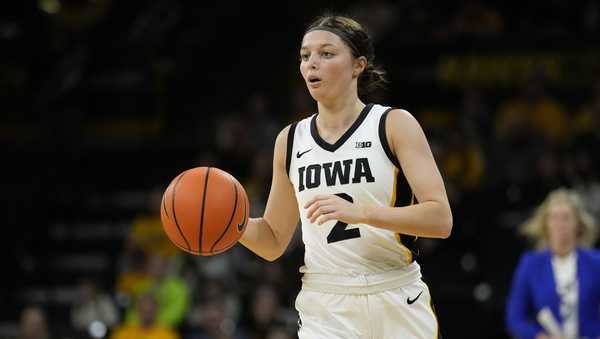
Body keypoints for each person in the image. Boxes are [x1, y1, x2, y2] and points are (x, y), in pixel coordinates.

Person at [238, 14, 453, 339]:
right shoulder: (290, 140)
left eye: (326, 53)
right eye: (305, 55)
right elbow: (272, 241)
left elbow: (440, 219)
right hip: (327, 302)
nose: (312, 63)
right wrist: (232, 225)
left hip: (395, 291)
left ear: (358, 65)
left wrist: (364, 212)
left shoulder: (393, 124)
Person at [506, 188, 600, 339]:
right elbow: (515, 318)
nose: (560, 224)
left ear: (578, 224)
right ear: (545, 224)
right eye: (554, 218)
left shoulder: (596, 263)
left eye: (566, 218)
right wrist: (539, 336)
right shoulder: (530, 264)